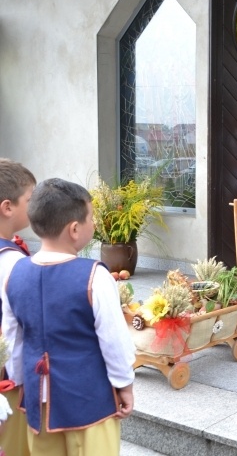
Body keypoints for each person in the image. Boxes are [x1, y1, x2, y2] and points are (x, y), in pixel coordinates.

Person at [4, 178, 136, 455]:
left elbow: (12, 338)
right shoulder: (95, 276)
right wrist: (124, 385)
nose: (95, 225)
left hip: (36, 400)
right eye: (91, 218)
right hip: (88, 399)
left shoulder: (14, 272)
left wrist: (20, 379)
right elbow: (113, 340)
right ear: (75, 229)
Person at [0, 158, 36, 456]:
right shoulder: (12, 262)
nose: (35, 205)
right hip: (9, 376)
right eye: (30, 199)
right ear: (7, 207)